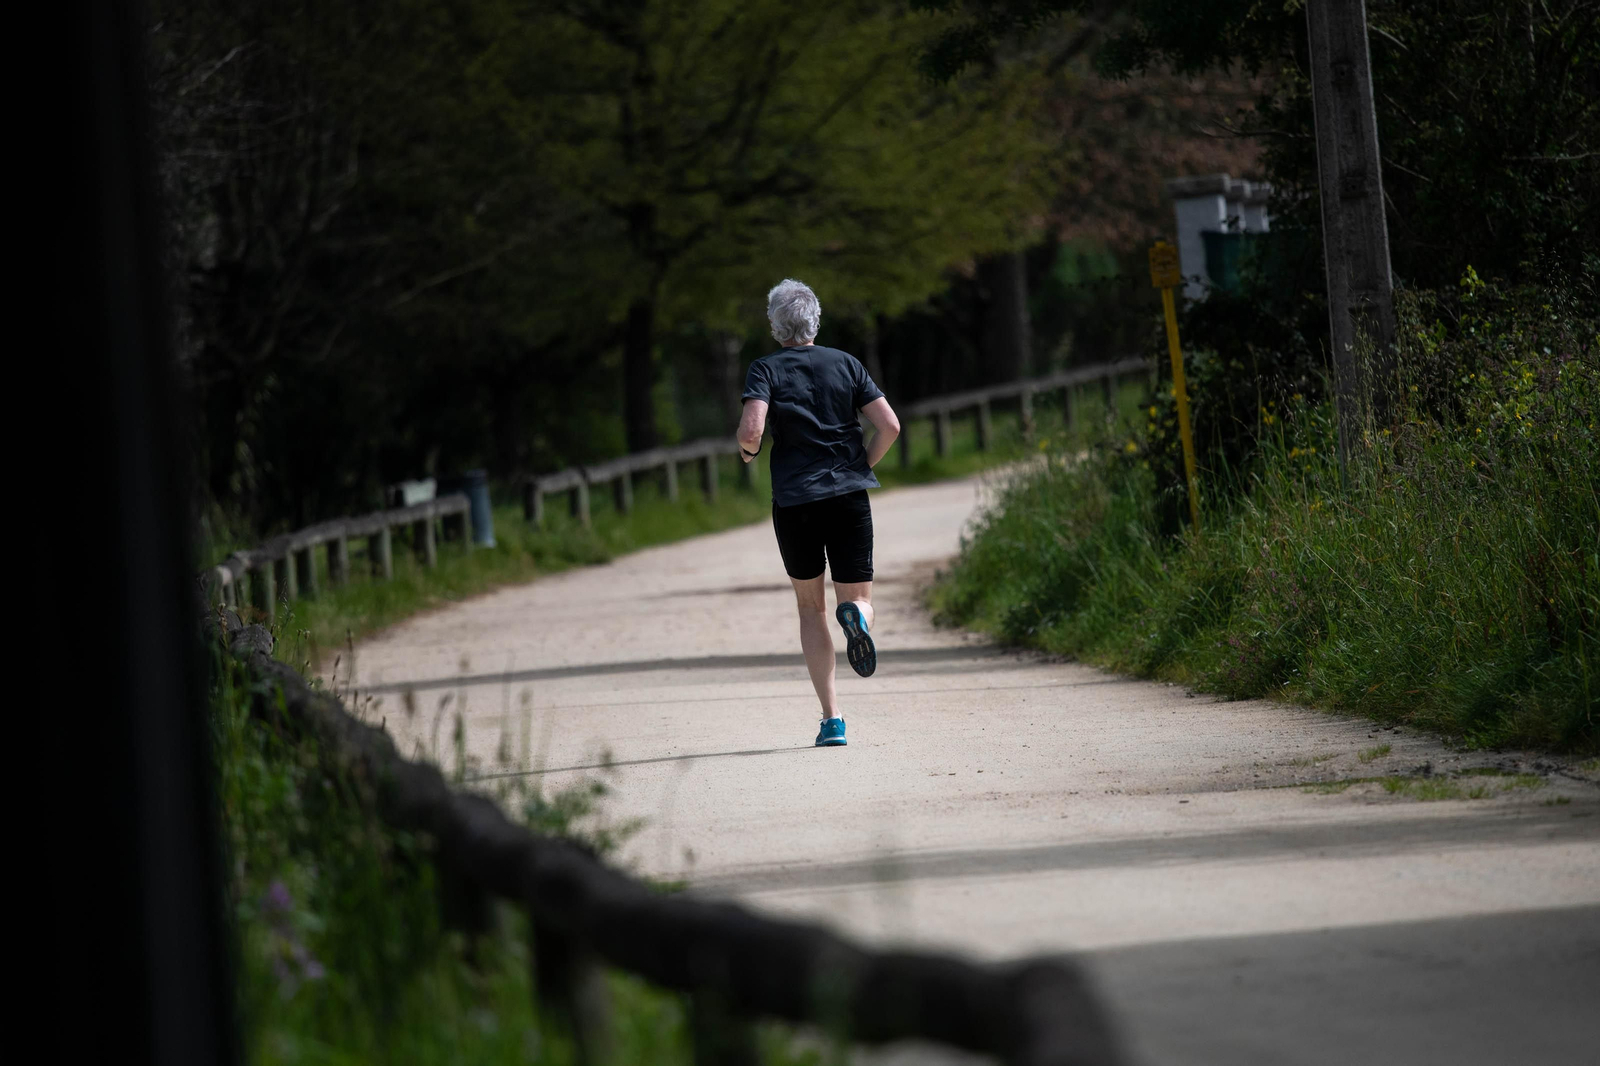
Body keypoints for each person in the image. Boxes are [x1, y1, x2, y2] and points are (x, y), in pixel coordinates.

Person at [737, 279, 901, 747]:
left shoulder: (764, 369)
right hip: (848, 495)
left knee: (811, 608)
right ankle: (858, 616)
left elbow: (752, 432)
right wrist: (860, 464)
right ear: (816, 320)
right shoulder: (846, 363)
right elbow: (889, 424)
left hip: (795, 503)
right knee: (859, 597)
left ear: (775, 325)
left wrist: (748, 454)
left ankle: (832, 720)